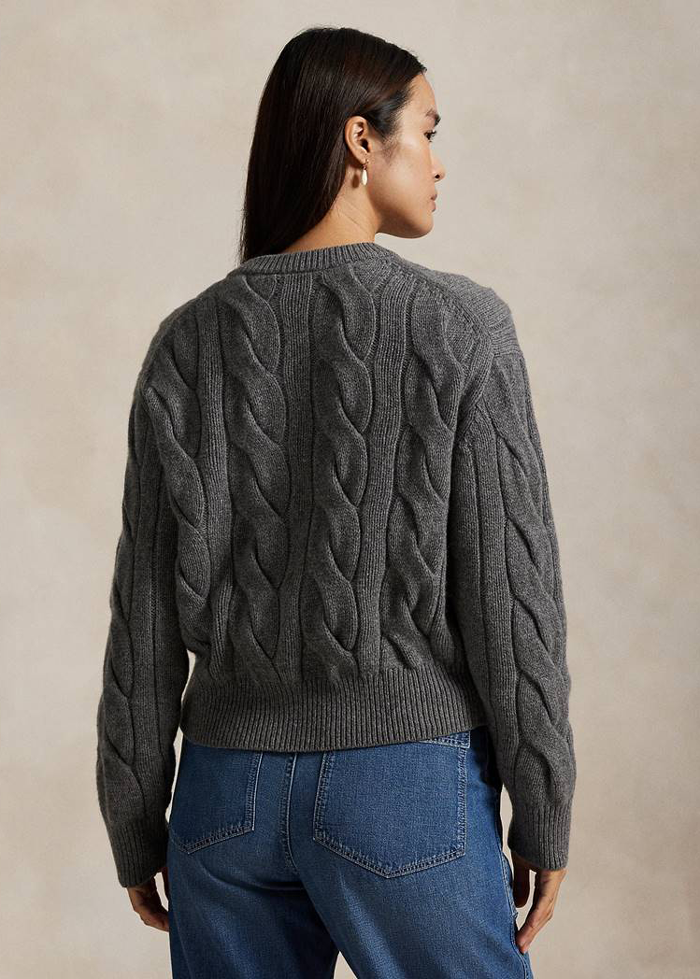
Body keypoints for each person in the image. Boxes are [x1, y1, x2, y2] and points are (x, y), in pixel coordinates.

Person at [95, 25, 576, 978]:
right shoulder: (463, 328)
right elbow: (513, 604)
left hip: (223, 802)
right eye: (427, 132)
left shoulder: (186, 344)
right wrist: (545, 806)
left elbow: (142, 622)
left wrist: (135, 817)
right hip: (405, 792)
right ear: (362, 139)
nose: (438, 162)